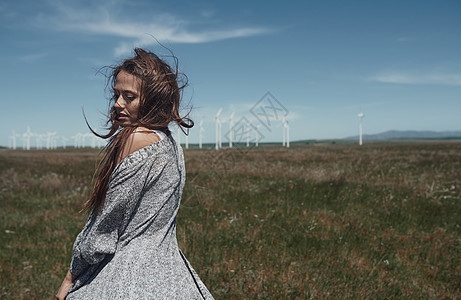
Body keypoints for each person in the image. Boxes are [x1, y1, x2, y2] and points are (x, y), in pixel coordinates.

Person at [56, 48, 214, 299]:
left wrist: (71, 275)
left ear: (153, 100)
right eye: (116, 94)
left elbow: (105, 226)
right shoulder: (171, 145)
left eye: (129, 96)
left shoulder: (135, 138)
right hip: (170, 274)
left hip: (127, 278)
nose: (118, 103)